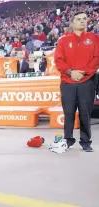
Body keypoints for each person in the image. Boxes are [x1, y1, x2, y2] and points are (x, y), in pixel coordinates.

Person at [54, 11, 99, 152]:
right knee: (68, 112)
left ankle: (85, 141)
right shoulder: (63, 40)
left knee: (85, 112)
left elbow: (97, 58)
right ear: (72, 22)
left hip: (87, 81)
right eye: (78, 19)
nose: (82, 21)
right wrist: (71, 72)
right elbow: (59, 61)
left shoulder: (94, 38)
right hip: (68, 81)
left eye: (84, 19)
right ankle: (68, 139)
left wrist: (83, 72)